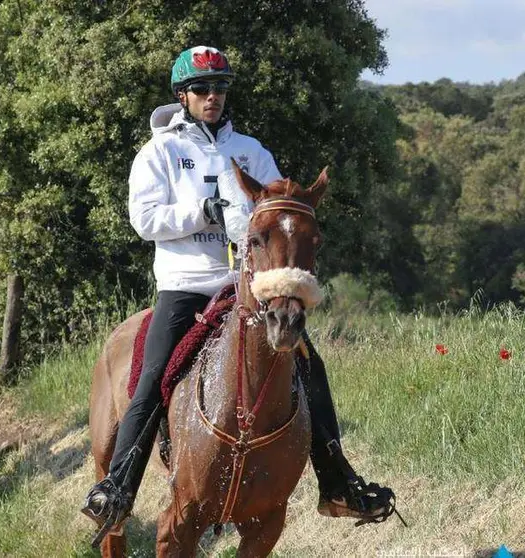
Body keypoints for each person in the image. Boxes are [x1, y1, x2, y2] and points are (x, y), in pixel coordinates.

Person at [81, 46, 396, 529]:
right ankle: (118, 486)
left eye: (221, 89)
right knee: (150, 376)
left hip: (244, 286)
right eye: (203, 89)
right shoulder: (160, 152)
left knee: (311, 368)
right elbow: (143, 221)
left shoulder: (250, 151)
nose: (213, 97)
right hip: (185, 285)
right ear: (183, 95)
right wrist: (202, 212)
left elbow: (277, 213)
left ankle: (339, 484)